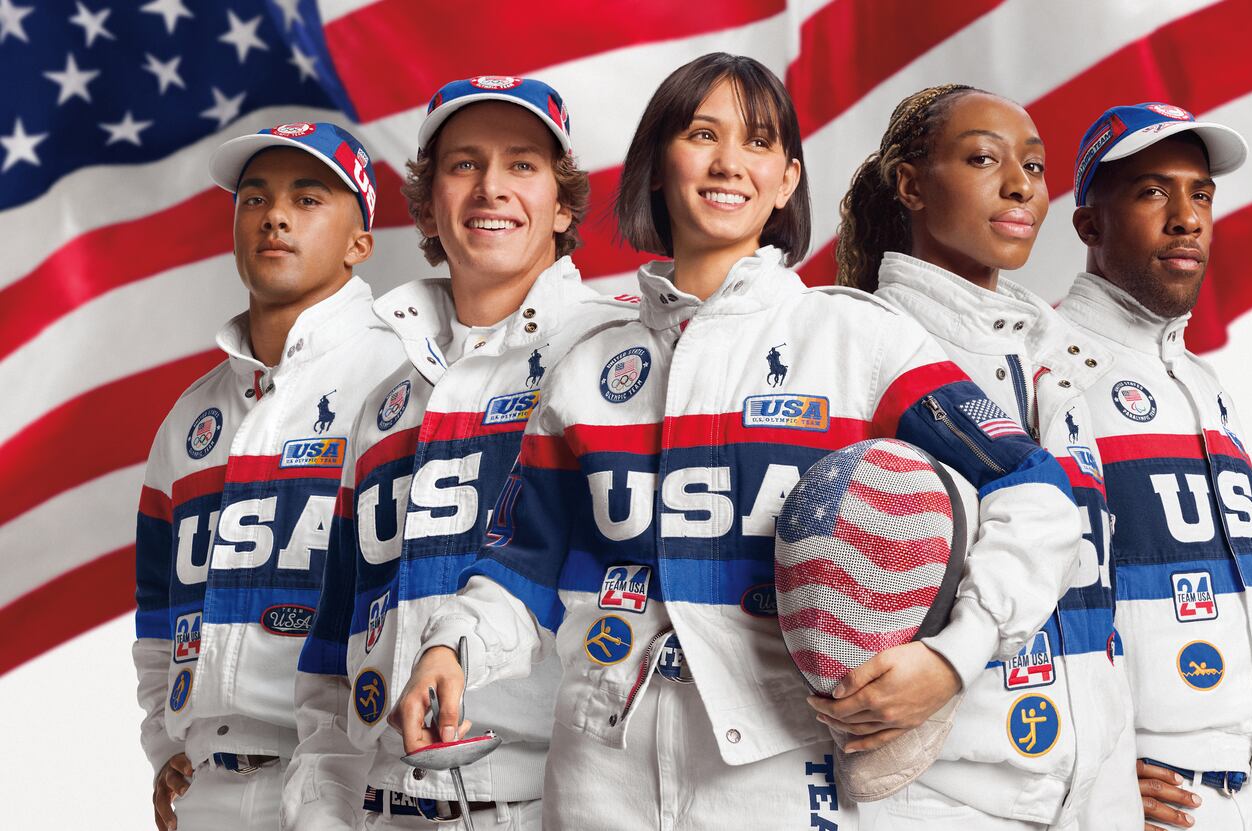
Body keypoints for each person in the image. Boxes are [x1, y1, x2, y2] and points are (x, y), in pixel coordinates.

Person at [391, 52, 1082, 830]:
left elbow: (1033, 488)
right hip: (595, 778)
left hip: (783, 778)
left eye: (757, 144)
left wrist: (958, 653)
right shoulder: (587, 368)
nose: (728, 163)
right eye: (701, 134)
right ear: (657, 165)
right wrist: (450, 648)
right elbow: (522, 565)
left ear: (787, 179)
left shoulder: (856, 337)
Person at [283, 77, 636, 830]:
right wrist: (319, 808)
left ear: (564, 203)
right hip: (381, 806)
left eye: (522, 165)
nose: (491, 188)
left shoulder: (614, 353)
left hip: (547, 802)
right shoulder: (384, 401)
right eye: (464, 164)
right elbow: (331, 641)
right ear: (429, 205)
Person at [836, 83, 1140, 830]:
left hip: (1097, 791)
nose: (1020, 186)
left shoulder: (1059, 354)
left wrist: (1133, 755)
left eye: (1035, 167)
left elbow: (1099, 580)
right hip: (936, 793)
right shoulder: (856, 343)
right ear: (910, 184)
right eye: (983, 158)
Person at [133, 122, 402, 830]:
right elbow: (158, 607)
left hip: (350, 779)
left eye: (308, 198)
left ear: (359, 241)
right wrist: (163, 741)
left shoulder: (403, 380)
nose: (275, 215)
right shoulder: (191, 417)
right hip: (209, 789)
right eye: (254, 199)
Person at [1057, 103, 1252, 829]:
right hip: (1138, 800)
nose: (1186, 217)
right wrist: (1091, 762)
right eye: (1152, 191)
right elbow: (1025, 597)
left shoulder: (1202, 383)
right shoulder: (1047, 367)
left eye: (1200, 193)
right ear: (1089, 225)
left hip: (1245, 790)